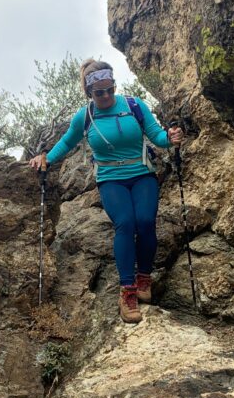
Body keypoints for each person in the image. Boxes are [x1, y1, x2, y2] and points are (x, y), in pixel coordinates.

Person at [29, 58, 183, 323]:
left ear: (114, 84)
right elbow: (67, 141)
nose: (106, 96)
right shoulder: (85, 116)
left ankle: (144, 278)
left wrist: (170, 139)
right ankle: (128, 292)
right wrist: (47, 158)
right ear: (89, 92)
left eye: (110, 89)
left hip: (142, 173)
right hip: (111, 178)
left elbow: (156, 135)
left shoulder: (134, 106)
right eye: (99, 92)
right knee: (125, 223)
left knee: (145, 222)